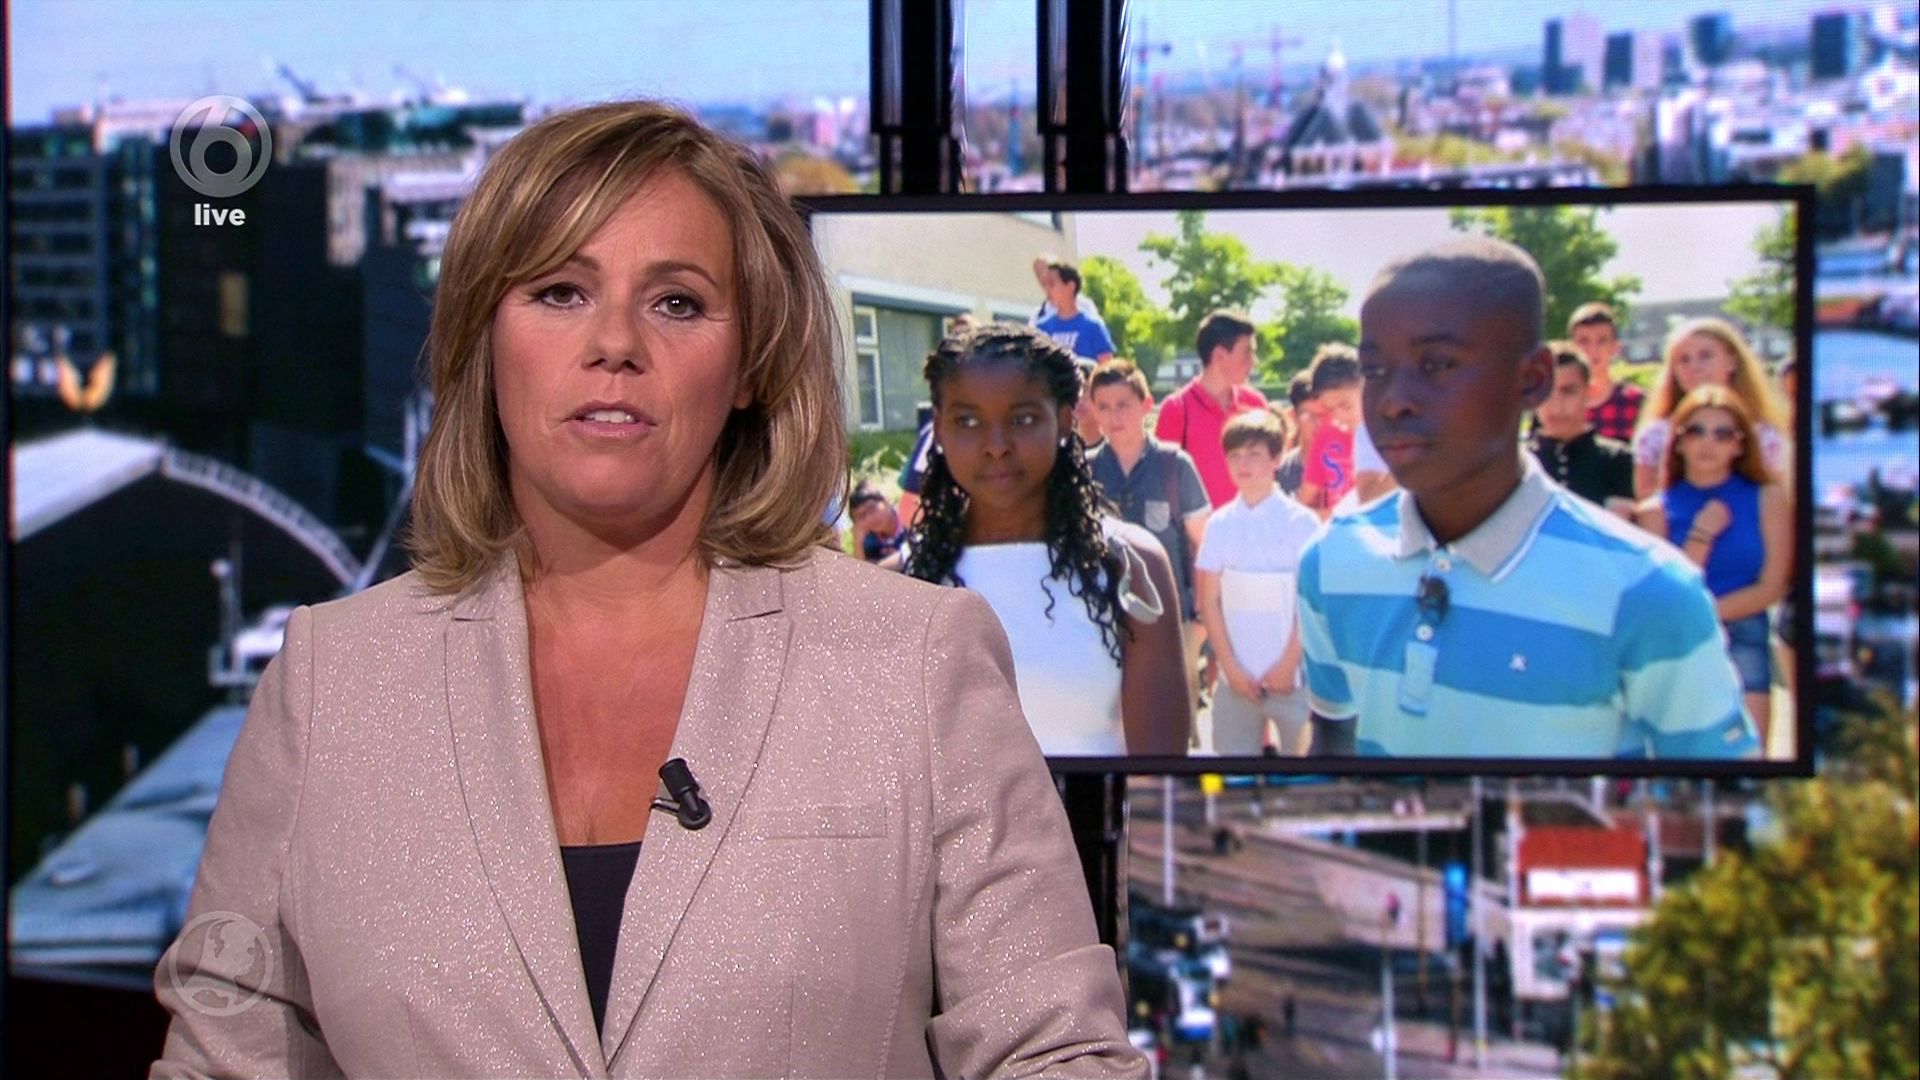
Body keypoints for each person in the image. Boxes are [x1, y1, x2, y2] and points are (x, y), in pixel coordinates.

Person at [148, 102, 1146, 1080]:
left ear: (750, 364)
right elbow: (226, 1062)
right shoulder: (333, 682)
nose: (615, 342)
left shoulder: (913, 663)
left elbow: (1057, 1056)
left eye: (677, 303)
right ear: (483, 340)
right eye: (559, 292)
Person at [1298, 237, 1755, 759]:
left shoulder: (1648, 592)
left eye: (1437, 363)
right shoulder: (1331, 560)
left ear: (1533, 379)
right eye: (1375, 370)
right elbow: (1333, 743)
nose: (1394, 401)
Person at [903, 323, 1191, 758]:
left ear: (1064, 421)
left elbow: (1158, 780)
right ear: (939, 430)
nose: (996, 445)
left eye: (1023, 419)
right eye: (968, 421)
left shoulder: (1132, 567)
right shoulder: (900, 584)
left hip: (1094, 808)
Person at [1636, 386, 1791, 747]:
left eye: (1723, 434)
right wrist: (1702, 533)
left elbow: (1771, 586)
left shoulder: (1767, 498)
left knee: (1749, 755)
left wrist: (1708, 614)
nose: (1709, 442)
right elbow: (1673, 590)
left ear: (1739, 446)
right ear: (1678, 442)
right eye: (1696, 431)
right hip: (1677, 640)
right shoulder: (1655, 511)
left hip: (1744, 632)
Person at [1193, 410, 1322, 756]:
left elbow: (1311, 602)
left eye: (1254, 454)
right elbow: (1209, 601)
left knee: (1303, 775)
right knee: (1232, 777)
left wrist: (1288, 664)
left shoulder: (1303, 523)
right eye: (1234, 455)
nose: (1243, 464)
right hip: (1235, 682)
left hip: (1293, 681)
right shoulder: (1219, 524)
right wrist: (1230, 668)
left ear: (1277, 459)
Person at [1087, 359, 1211, 715]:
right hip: (1103, 618)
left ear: (1146, 405)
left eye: (1123, 405)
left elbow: (1205, 545)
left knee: (1172, 719)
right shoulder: (1086, 469)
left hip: (1171, 619)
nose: (1114, 416)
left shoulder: (1175, 465)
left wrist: (1201, 619)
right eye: (1103, 407)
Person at [1632, 316, 1789, 500]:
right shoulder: (1655, 436)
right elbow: (1646, 502)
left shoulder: (1765, 436)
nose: (1694, 367)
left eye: (1705, 356)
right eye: (1684, 360)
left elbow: (1779, 500)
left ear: (1732, 361)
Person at [1155, 310, 1268, 508]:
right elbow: (1162, 483)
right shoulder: (1176, 409)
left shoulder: (1256, 404)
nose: (1254, 361)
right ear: (1219, 356)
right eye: (1247, 353)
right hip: (1197, 527)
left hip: (1253, 523)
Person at [1528, 343, 1635, 516]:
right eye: (1546, 392)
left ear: (1589, 393)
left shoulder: (1616, 460)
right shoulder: (1521, 463)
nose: (1556, 406)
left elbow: (1614, 526)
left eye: (1568, 392)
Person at [1566, 302, 1643, 442]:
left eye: (1602, 341)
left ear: (1615, 347)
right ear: (1572, 346)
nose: (1593, 350)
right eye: (1583, 341)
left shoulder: (1635, 401)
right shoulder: (1557, 403)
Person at [1035, 260, 1116, 365]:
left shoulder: (1093, 327)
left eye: (1052, 284)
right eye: (1046, 285)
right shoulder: (1042, 328)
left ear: (1070, 286)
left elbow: (1106, 366)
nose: (1047, 289)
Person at [1276, 371, 1318, 498]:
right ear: (1294, 417)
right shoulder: (1279, 472)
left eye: (1323, 414)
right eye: (1308, 416)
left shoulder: (1354, 469)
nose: (1317, 423)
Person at [848, 480, 907, 563]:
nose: (869, 519)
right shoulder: (870, 541)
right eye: (861, 516)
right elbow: (862, 569)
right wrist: (858, 544)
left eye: (872, 508)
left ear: (885, 501)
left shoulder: (909, 520)